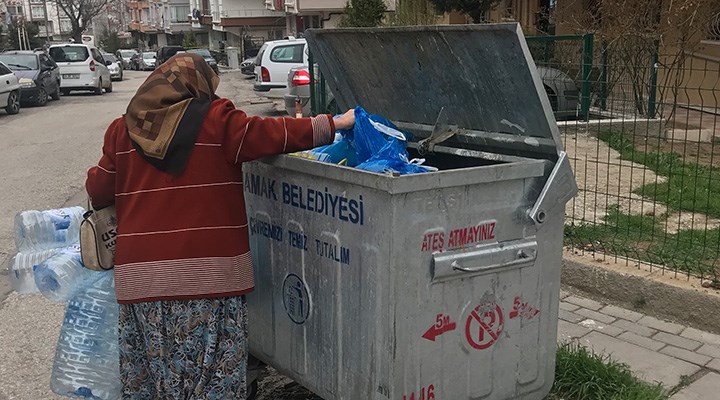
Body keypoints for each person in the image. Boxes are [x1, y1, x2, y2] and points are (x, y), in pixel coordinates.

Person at [85, 52, 355, 399]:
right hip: (210, 280)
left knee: (157, 380)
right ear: (199, 85)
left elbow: (98, 190)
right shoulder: (217, 121)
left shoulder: (123, 131)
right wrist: (333, 123)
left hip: (142, 283)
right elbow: (275, 133)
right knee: (211, 379)